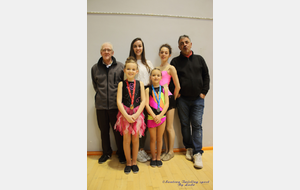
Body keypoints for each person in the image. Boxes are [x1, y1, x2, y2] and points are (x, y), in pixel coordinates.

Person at [170, 35, 210, 169]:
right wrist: (177, 94)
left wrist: (204, 92)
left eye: (186, 42)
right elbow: (171, 80)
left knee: (197, 124)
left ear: (191, 44)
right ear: (179, 47)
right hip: (183, 100)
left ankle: (198, 152)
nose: (184, 45)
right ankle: (189, 148)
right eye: (182, 43)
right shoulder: (175, 61)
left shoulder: (199, 59)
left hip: (198, 99)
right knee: (185, 124)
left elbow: (206, 76)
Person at [91, 42, 126, 164]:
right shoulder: (95, 68)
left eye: (109, 50)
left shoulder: (120, 67)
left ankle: (121, 154)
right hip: (101, 106)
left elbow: (123, 86)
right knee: (104, 131)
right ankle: (106, 153)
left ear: (112, 52)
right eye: (104, 50)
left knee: (118, 132)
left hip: (116, 106)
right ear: (101, 52)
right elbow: (96, 86)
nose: (106, 52)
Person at [114, 57, 146, 174]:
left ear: (137, 71)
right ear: (124, 70)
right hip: (125, 114)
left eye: (133, 69)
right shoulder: (121, 84)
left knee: (136, 139)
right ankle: (128, 162)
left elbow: (143, 101)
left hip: (137, 115)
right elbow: (118, 101)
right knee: (126, 139)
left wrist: (137, 114)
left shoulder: (140, 84)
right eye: (128, 69)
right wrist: (127, 116)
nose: (131, 71)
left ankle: (134, 162)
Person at [128, 37, 154, 162]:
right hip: (136, 95)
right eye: (135, 46)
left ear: (143, 48)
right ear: (132, 48)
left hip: (148, 94)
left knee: (145, 124)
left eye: (140, 46)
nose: (138, 48)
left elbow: (153, 79)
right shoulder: (130, 63)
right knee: (137, 124)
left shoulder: (148, 63)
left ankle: (142, 149)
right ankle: (136, 151)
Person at [156, 44, 181, 161]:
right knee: (163, 127)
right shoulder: (157, 69)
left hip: (169, 100)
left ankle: (171, 151)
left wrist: (173, 99)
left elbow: (178, 86)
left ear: (169, 55)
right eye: (162, 52)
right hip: (159, 100)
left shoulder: (171, 68)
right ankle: (166, 151)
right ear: (159, 54)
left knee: (169, 127)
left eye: (166, 52)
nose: (163, 54)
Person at [145, 68, 169, 167]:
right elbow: (146, 104)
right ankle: (153, 157)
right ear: (150, 77)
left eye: (158, 75)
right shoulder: (147, 89)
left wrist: (160, 115)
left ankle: (158, 157)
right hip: (151, 118)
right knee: (152, 139)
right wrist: (154, 116)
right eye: (153, 75)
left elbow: (167, 103)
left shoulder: (164, 89)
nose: (156, 77)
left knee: (159, 139)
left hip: (162, 117)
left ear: (161, 77)